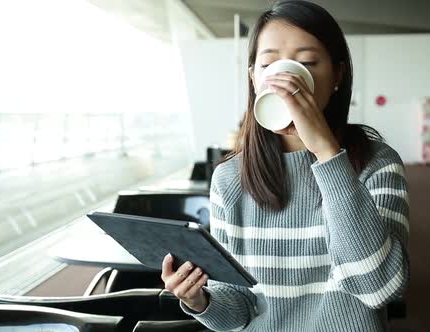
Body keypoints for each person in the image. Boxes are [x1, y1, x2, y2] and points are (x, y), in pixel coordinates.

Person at [161, 1, 410, 331]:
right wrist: (199, 300)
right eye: (269, 64)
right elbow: (237, 311)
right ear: (254, 78)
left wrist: (327, 153)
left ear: (337, 75)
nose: (287, 79)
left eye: (306, 63)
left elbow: (379, 288)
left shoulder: (377, 164)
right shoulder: (230, 178)